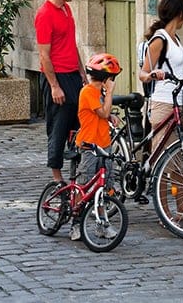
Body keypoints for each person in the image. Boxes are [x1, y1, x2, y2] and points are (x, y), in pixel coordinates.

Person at [138, 0, 183, 225]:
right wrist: (152, 75)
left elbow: (178, 70)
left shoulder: (175, 38)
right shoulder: (160, 39)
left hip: (180, 103)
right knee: (164, 161)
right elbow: (143, 72)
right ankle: (164, 211)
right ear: (181, 13)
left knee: (180, 157)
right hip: (163, 103)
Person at [35, 0, 87, 183]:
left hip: (73, 75)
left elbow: (71, 44)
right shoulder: (45, 15)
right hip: (57, 78)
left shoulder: (66, 10)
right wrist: (54, 86)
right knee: (58, 127)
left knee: (79, 127)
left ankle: (76, 177)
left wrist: (82, 73)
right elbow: (44, 55)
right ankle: (57, 180)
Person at [70, 53, 122, 240]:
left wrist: (111, 117)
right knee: (83, 185)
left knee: (103, 187)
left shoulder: (98, 93)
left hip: (104, 145)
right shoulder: (88, 92)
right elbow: (102, 111)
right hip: (89, 146)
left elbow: (103, 114)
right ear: (107, 78)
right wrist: (109, 93)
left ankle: (102, 224)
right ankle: (75, 223)